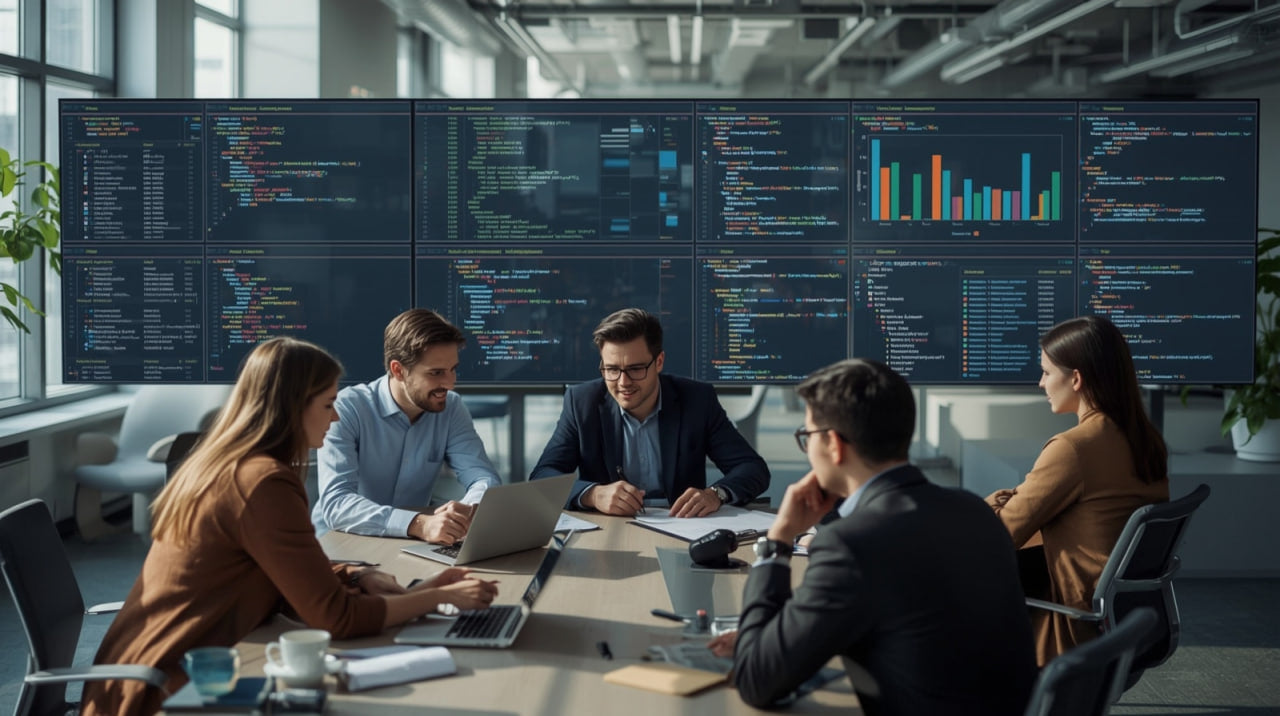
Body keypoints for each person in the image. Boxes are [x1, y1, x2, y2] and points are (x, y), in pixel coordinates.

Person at [82, 338, 499, 716]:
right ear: (291, 407)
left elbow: (273, 567)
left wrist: (357, 574)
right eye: (327, 405)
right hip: (169, 689)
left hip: (160, 668)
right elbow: (338, 619)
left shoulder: (232, 465)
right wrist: (438, 598)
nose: (335, 418)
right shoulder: (263, 482)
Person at [720, 358, 1037, 715]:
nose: (807, 450)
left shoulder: (849, 545)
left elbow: (755, 680)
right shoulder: (973, 510)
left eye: (807, 437)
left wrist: (777, 540)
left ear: (834, 445)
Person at [986, 315, 1170, 666]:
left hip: (1072, 621)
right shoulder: (1143, 438)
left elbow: (1001, 535)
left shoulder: (1074, 448)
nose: (1040, 383)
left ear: (1076, 378)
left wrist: (985, 507)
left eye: (1046, 372)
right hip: (1121, 615)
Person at [530, 308, 769, 516]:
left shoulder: (697, 400)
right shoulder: (582, 402)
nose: (623, 382)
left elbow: (752, 468)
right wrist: (592, 494)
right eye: (611, 369)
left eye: (635, 369)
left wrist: (716, 494)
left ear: (659, 362)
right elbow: (542, 476)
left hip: (683, 528)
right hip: (610, 529)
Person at [312, 309, 501, 543]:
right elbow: (337, 504)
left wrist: (469, 510)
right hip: (342, 541)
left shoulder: (450, 407)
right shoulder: (348, 408)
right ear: (398, 370)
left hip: (413, 542)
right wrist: (419, 523)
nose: (450, 384)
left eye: (453, 369)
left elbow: (482, 476)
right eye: (436, 373)